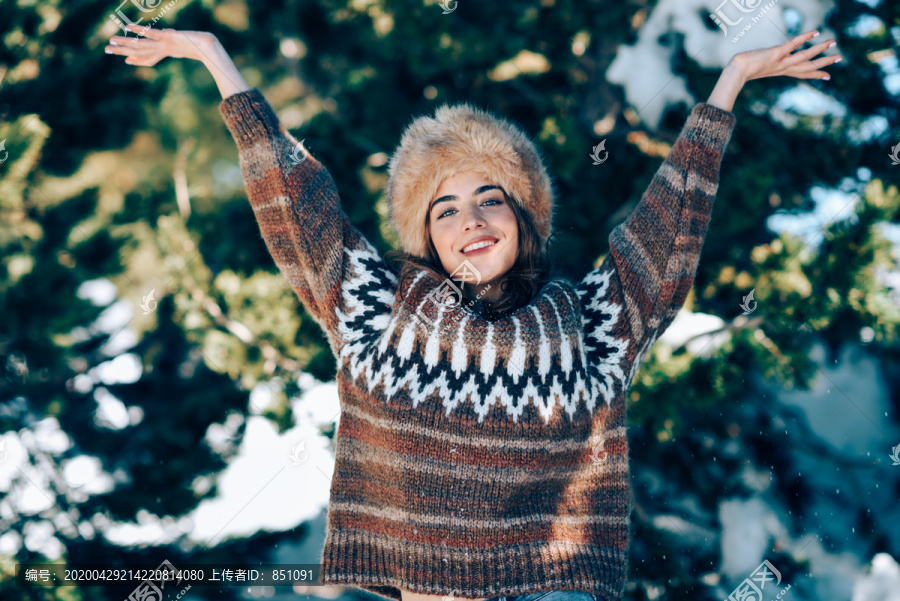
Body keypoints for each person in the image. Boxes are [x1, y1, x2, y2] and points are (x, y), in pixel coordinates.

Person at [105, 23, 840, 601]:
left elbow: (672, 219)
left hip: (556, 589)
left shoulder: (592, 321)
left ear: (524, 215)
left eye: (491, 197)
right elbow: (294, 200)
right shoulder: (376, 309)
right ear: (424, 235)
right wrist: (213, 60)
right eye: (445, 208)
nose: (472, 220)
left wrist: (732, 80)